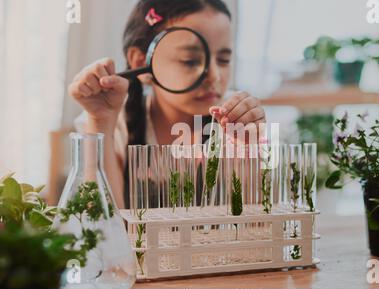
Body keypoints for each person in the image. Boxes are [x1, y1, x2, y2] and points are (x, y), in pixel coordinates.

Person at [69, 0, 266, 208]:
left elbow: (258, 226)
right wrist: (101, 121)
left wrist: (248, 149)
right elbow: (100, 228)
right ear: (141, 64)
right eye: (190, 60)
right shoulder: (111, 124)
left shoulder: (238, 121)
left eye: (224, 60)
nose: (215, 76)